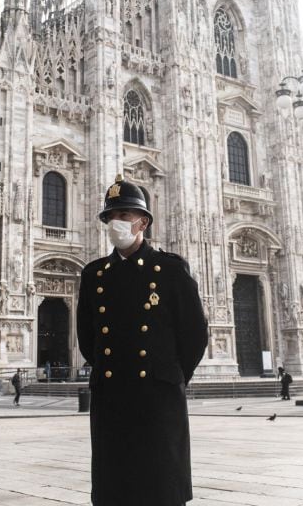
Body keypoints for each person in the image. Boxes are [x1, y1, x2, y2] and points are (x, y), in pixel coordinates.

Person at [77, 175, 209, 506]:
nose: (115, 224)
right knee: (114, 488)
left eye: (123, 216)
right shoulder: (95, 275)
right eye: (110, 218)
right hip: (111, 398)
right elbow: (87, 338)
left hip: (157, 399)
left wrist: (170, 377)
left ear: (143, 222)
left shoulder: (170, 270)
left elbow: (194, 334)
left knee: (160, 488)